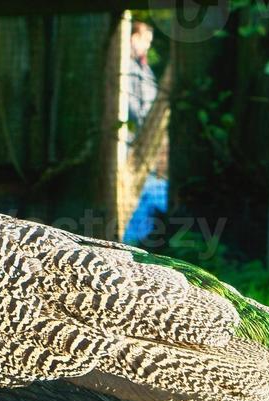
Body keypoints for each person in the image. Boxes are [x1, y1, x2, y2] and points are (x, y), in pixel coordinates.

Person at [122, 20, 167, 245]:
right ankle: (131, 240)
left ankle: (138, 239)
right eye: (145, 40)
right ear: (133, 38)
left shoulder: (143, 68)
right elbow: (136, 108)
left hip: (149, 142)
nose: (147, 46)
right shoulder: (127, 68)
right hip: (133, 143)